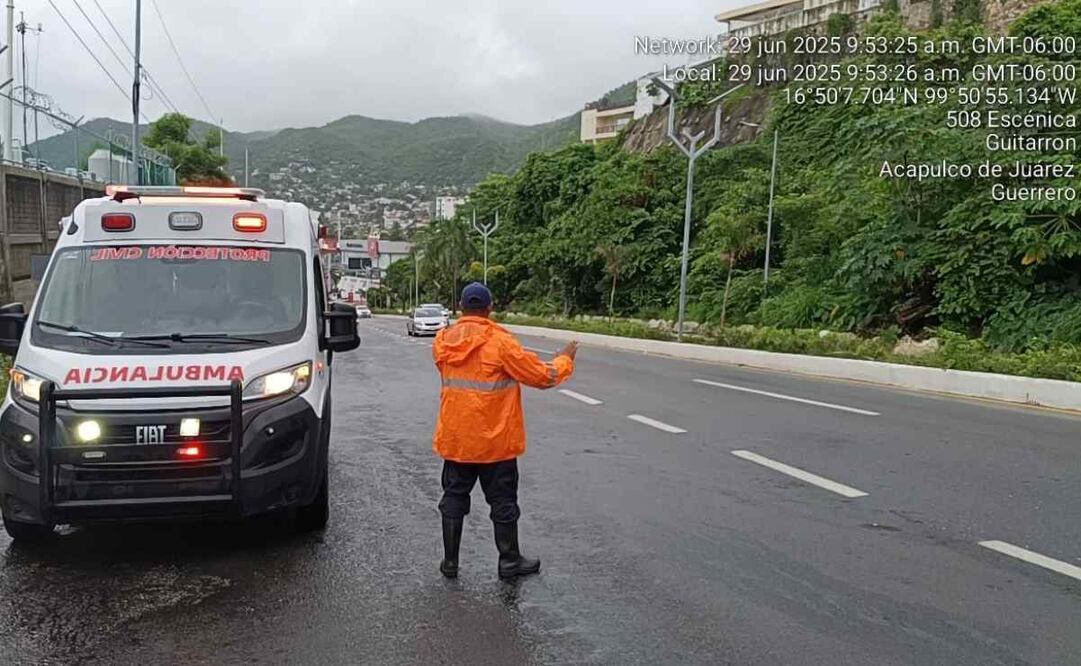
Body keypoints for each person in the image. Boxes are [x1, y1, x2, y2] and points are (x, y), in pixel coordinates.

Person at [432, 282, 579, 580]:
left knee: (454, 496)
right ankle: (509, 561)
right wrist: (565, 360)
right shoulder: (500, 342)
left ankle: (450, 562)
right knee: (503, 500)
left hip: (457, 439)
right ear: (489, 308)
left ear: (461, 307)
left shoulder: (443, 341)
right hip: (495, 442)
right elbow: (541, 376)